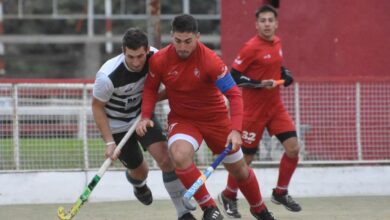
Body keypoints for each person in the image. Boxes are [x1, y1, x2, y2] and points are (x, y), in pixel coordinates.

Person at [136, 14, 276, 220]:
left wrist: (236, 130)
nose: (182, 47)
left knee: (240, 172)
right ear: (171, 36)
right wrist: (145, 116)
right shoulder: (160, 60)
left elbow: (234, 94)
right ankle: (210, 208)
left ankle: (259, 209)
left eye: (188, 42)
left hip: (215, 120)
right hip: (183, 120)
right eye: (178, 41)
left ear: (198, 37)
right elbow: (150, 89)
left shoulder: (211, 61)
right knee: (179, 155)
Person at [91, 27, 196, 220]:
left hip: (143, 116)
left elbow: (167, 89)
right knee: (141, 171)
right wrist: (109, 142)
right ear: (123, 51)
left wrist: (153, 101)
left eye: (140, 56)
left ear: (147, 50)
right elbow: (97, 107)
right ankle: (138, 185)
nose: (136, 62)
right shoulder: (107, 76)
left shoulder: (156, 58)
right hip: (117, 126)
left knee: (166, 159)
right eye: (130, 57)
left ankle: (183, 213)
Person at [218, 4, 301, 219]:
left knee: (293, 148)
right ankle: (228, 196)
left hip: (275, 107)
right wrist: (258, 83)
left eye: (270, 20)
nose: (267, 24)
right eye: (262, 21)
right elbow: (234, 76)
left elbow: (276, 66)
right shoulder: (250, 47)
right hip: (252, 111)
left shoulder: (277, 42)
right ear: (256, 25)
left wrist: (286, 73)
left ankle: (280, 192)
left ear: (276, 23)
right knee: (243, 161)